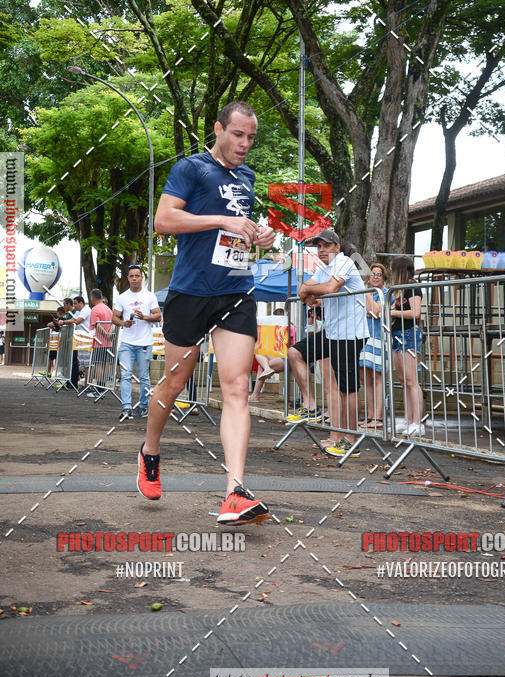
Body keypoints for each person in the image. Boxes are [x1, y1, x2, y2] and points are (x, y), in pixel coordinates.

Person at [136, 101, 275, 526]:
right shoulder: (191, 169)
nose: (245, 144)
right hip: (190, 292)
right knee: (176, 380)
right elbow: (163, 220)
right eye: (238, 135)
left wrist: (260, 235)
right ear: (218, 129)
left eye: (251, 138)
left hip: (234, 292)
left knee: (236, 387)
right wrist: (221, 221)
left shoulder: (248, 178)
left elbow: (242, 231)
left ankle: (235, 491)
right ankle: (150, 450)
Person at [288, 228, 368, 458]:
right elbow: (305, 292)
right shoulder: (324, 268)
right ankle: (311, 407)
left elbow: (328, 288)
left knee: (347, 388)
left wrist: (309, 289)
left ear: (336, 246)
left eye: (326, 246)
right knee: (295, 353)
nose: (321, 250)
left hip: (349, 334)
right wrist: (309, 289)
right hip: (332, 332)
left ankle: (350, 440)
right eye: (318, 246)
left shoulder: (345, 262)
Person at [112, 265, 161, 419]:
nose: (134, 279)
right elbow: (114, 317)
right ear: (127, 278)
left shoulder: (149, 296)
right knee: (125, 375)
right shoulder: (122, 297)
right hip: (126, 342)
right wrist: (123, 323)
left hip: (144, 343)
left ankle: (144, 407)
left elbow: (158, 316)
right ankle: (126, 408)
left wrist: (145, 317)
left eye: (137, 276)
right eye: (131, 276)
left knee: (144, 376)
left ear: (141, 278)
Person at [390, 255, 424, 436]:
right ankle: (407, 420)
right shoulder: (399, 290)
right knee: (403, 380)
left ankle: (417, 422)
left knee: (411, 381)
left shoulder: (412, 288)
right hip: (397, 335)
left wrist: (394, 312)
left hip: (409, 334)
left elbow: (416, 313)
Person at [358, 263, 388, 431]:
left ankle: (378, 416)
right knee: (365, 379)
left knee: (377, 378)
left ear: (384, 277)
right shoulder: (364, 293)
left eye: (379, 274)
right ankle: (370, 416)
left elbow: (376, 312)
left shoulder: (384, 293)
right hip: (364, 337)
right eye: (373, 274)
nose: (375, 276)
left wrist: (368, 296)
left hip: (378, 337)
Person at [62, 295, 92, 386]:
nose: (74, 306)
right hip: (81, 340)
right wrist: (63, 322)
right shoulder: (79, 311)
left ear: (81, 303)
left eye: (75, 303)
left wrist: (63, 322)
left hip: (86, 340)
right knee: (83, 364)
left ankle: (87, 385)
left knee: (87, 365)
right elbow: (73, 319)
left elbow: (77, 321)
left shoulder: (86, 310)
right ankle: (85, 385)